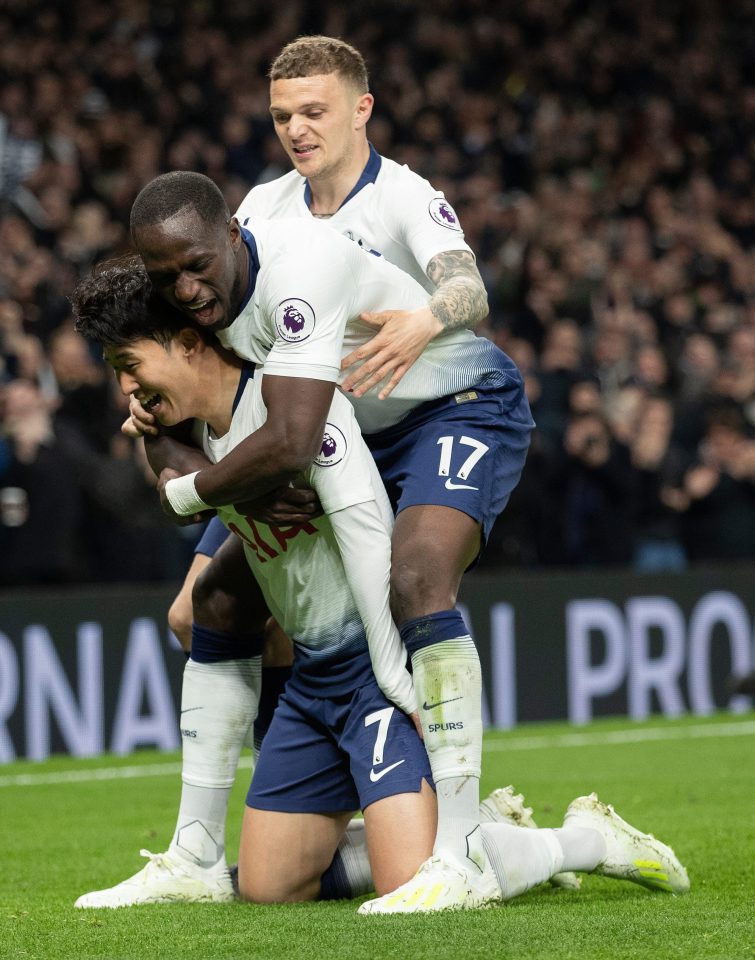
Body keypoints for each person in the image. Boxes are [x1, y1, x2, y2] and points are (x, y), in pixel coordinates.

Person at [72, 258, 689, 911]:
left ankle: (580, 840)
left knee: (410, 878)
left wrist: (399, 679)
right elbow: (164, 456)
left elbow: (369, 543)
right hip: (314, 675)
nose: (126, 390)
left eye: (128, 365)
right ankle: (249, 836)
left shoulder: (292, 408)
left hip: (370, 662)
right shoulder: (175, 418)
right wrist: (187, 473)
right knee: (266, 886)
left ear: (191, 342)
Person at [120, 36, 512, 913]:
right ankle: (270, 824)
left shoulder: (405, 195)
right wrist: (151, 395)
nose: (296, 129)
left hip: (442, 410)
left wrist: (421, 323)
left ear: (361, 109)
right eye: (281, 116)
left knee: (412, 581)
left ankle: (457, 837)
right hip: (323, 424)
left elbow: (467, 288)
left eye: (313, 112)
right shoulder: (260, 210)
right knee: (201, 608)